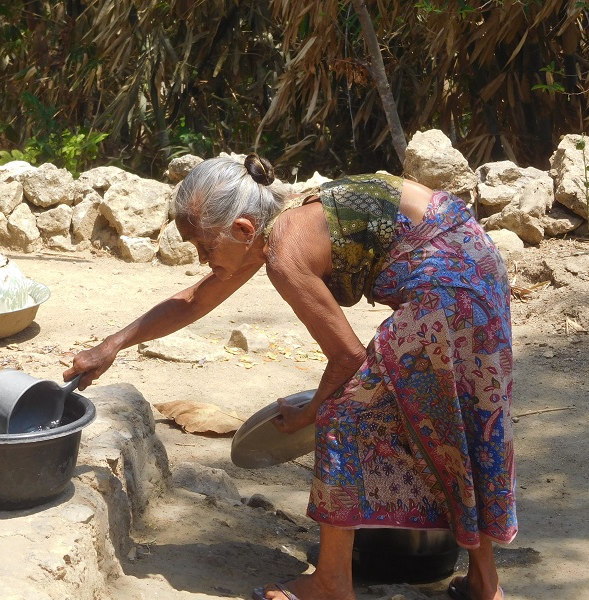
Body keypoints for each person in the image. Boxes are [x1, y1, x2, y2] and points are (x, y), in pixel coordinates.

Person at [64, 153, 517, 600]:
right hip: (479, 267)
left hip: (446, 291)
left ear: (243, 229)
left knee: (343, 414)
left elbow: (346, 358)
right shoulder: (284, 221)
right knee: (467, 423)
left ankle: (331, 583)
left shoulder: (285, 251)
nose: (203, 260)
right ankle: (484, 584)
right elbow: (194, 301)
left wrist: (312, 412)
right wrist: (111, 346)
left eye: (205, 247)